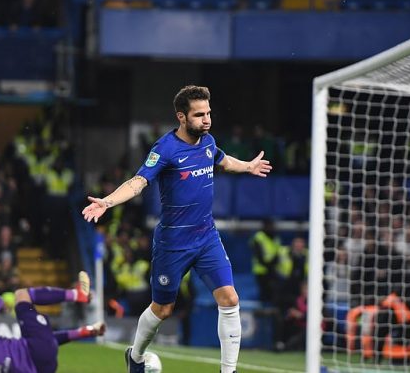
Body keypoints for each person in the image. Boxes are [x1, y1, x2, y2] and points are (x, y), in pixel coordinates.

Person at [82, 85, 272, 373]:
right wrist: (107, 202)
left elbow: (221, 159)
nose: (206, 119)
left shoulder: (208, 141)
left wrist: (247, 166)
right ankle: (135, 356)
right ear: (181, 117)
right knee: (163, 309)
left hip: (207, 236)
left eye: (208, 113)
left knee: (230, 299)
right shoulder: (165, 149)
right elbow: (138, 182)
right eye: (199, 115)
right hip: (173, 242)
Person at [0, 271, 105, 373]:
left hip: (42, 369)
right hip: (37, 351)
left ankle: (86, 331)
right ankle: (77, 295)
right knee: (21, 295)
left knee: (39, 341)